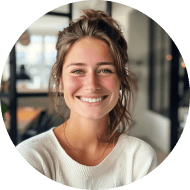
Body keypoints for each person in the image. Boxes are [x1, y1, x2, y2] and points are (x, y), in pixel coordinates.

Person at [16, 9, 157, 188]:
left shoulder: (139, 158)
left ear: (120, 81)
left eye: (105, 70)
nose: (92, 85)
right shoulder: (33, 156)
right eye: (77, 71)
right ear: (60, 82)